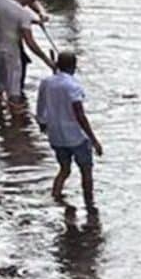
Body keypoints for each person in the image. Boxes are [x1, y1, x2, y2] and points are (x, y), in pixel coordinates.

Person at [37, 51, 102, 209]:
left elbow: (40, 106)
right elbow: (80, 115)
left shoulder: (46, 82)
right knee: (86, 170)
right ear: (74, 66)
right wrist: (94, 140)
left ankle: (56, 197)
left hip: (56, 136)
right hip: (76, 136)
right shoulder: (73, 85)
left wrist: (42, 123)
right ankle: (90, 204)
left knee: (64, 169)